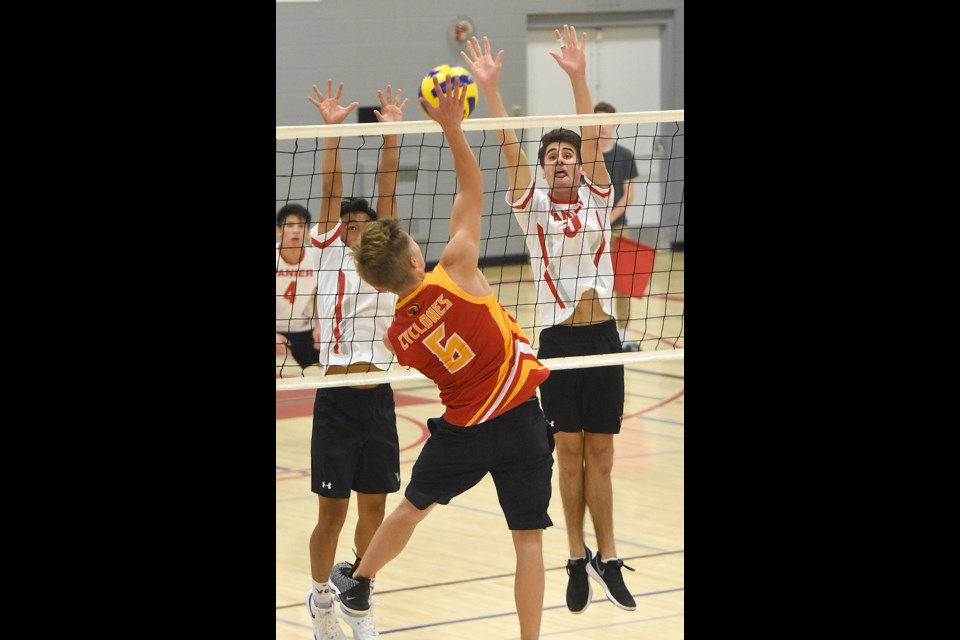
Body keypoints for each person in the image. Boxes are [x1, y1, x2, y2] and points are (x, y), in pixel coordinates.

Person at [328, 75, 555, 640]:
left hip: (464, 430)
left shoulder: (396, 337)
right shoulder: (456, 266)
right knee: (528, 540)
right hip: (521, 415)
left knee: (412, 506)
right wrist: (453, 129)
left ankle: (359, 578)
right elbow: (472, 190)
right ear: (412, 260)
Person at [460, 27, 636, 614]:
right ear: (543, 170)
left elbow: (590, 137)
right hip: (558, 341)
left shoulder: (595, 192)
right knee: (568, 453)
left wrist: (578, 77)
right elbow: (509, 145)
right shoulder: (530, 203)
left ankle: (608, 556)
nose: (562, 162)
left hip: (604, 336)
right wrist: (490, 89)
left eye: (568, 156)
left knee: (602, 456)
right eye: (552, 157)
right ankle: (575, 554)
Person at [303, 79, 407, 640]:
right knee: (332, 515)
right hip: (337, 400)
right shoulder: (326, 257)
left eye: (364, 223)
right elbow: (330, 191)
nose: (357, 228)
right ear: (339, 231)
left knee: (374, 514)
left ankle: (360, 604)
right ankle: (321, 597)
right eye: (349, 224)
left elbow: (387, 196)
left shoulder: (387, 260)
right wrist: (331, 131)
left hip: (380, 400)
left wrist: (392, 132)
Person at [594, 101, 642, 352]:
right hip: (589, 230)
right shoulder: (585, 154)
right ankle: (594, 333)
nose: (602, 125)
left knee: (623, 282)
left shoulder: (624, 155)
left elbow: (628, 196)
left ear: (615, 123)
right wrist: (595, 221)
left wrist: (608, 219)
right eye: (597, 119)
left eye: (606, 120)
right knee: (593, 283)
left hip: (619, 228)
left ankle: (622, 334)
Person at [276, 203, 322, 375]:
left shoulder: (315, 258)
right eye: (290, 225)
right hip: (276, 330)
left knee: (329, 368)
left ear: (308, 231)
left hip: (305, 331)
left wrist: (320, 326)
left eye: (301, 226)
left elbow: (320, 293)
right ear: (279, 230)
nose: (296, 230)